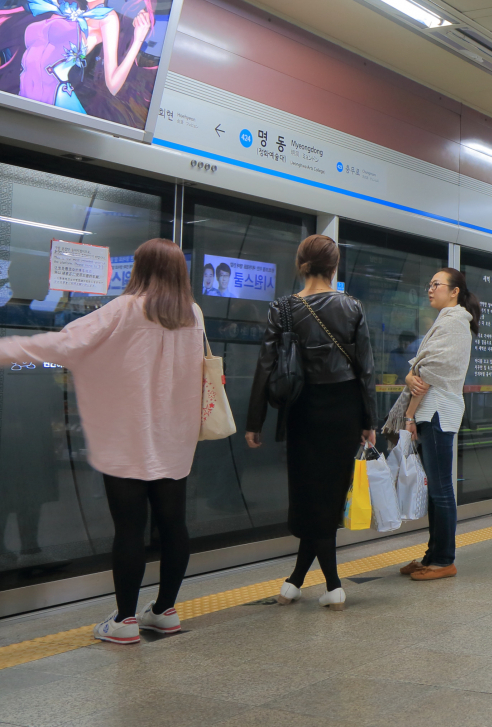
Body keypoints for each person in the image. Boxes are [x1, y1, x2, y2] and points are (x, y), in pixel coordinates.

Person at [0, 239, 204, 643]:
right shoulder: (191, 314)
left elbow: (62, 345)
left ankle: (125, 620)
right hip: (175, 437)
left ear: (139, 269)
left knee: (129, 528)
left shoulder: (124, 309)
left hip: (129, 437)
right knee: (173, 524)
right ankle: (164, 610)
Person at [247, 235, 377, 611]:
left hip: (302, 409)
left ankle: (332, 585)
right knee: (326, 499)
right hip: (344, 410)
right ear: (334, 266)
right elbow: (366, 370)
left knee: (309, 496)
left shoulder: (282, 309)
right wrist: (369, 418)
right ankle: (297, 582)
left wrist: (255, 420)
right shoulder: (352, 307)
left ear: (300, 264)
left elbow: (265, 368)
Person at [382, 267, 480, 581]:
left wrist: (409, 411)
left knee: (440, 491)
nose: (430, 289)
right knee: (438, 490)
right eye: (429, 283)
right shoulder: (447, 321)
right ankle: (432, 555)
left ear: (454, 291)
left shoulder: (454, 323)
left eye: (436, 284)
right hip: (432, 411)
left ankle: (444, 560)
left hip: (437, 411)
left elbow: (428, 373)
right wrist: (413, 376)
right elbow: (421, 371)